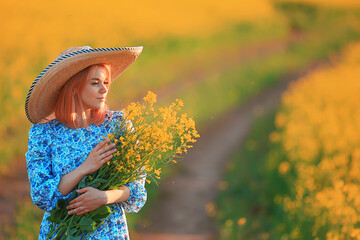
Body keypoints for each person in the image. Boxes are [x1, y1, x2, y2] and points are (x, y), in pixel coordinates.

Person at [25, 46, 147, 239]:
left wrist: (103, 198)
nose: (104, 89)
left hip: (109, 232)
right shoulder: (43, 133)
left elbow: (137, 191)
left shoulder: (117, 125)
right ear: (74, 87)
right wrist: (85, 167)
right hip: (61, 232)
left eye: (106, 82)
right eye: (95, 83)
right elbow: (41, 195)